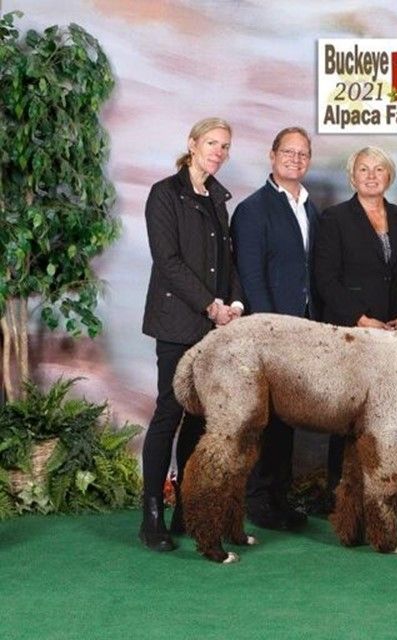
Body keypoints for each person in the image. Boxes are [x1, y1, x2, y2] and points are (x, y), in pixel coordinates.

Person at [140, 117, 243, 552]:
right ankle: (151, 514)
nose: (218, 152)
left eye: (225, 146)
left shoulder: (218, 198)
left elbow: (228, 261)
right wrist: (210, 305)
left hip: (211, 328)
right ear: (192, 144)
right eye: (212, 143)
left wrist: (234, 304)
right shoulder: (164, 193)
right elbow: (168, 261)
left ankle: (186, 506)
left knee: (199, 418)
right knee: (169, 413)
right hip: (177, 322)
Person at [314, 146, 397, 500]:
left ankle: (379, 490)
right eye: (363, 169)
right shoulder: (334, 219)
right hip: (352, 334)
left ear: (388, 176)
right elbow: (325, 279)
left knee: (386, 416)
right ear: (352, 177)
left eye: (378, 169)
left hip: (396, 336)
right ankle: (341, 492)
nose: (371, 175)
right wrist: (361, 319)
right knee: (348, 415)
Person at [230, 126, 318, 531]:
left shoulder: (310, 209)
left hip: (305, 328)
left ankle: (279, 496)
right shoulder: (252, 210)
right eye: (288, 152)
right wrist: (270, 331)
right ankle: (258, 499)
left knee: (288, 414)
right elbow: (250, 276)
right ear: (272, 155)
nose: (295, 159)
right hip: (269, 332)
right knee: (262, 417)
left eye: (302, 154)